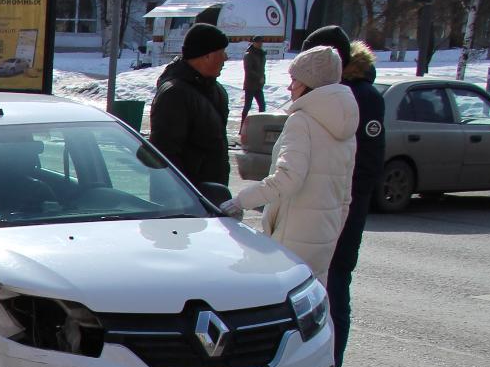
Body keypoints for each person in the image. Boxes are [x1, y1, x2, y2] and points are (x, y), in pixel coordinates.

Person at [231, 46, 359, 279]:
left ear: (309, 83)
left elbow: (287, 179)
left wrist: (240, 201)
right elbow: (345, 195)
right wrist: (332, 230)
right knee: (312, 299)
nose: (290, 87)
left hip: (293, 232)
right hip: (326, 233)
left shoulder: (302, 121)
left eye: (295, 80)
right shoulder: (346, 125)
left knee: (280, 301)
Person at [302, 24, 385, 367]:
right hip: (317, 214)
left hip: (340, 216)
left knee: (333, 290)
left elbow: (367, 166)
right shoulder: (316, 98)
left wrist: (340, 207)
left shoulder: (361, 98)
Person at [149, 22, 231, 193]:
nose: (226, 58)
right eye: (221, 53)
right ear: (206, 56)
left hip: (212, 196)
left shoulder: (216, 90)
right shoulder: (175, 94)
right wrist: (184, 201)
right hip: (184, 203)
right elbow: (165, 156)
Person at [241, 40, 267, 119]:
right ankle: (242, 126)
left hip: (258, 85)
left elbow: (262, 69)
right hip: (250, 85)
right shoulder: (249, 54)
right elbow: (248, 70)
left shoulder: (261, 54)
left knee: (262, 105)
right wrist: (259, 77)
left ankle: (260, 124)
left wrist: (263, 78)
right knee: (247, 106)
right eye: (258, 42)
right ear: (253, 43)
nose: (260, 44)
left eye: (261, 42)